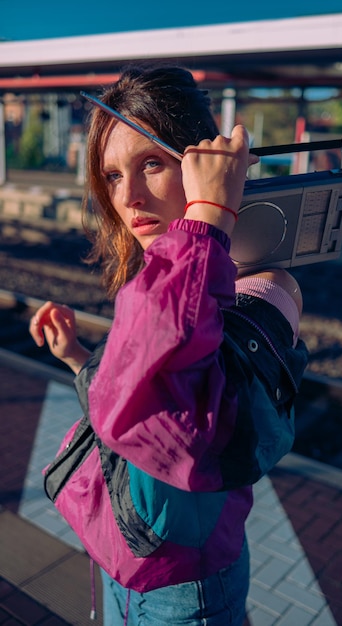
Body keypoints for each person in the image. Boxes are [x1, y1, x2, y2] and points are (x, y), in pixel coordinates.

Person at [29, 65, 308, 626]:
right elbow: (128, 404)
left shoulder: (268, 289)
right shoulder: (169, 275)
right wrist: (81, 359)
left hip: (185, 596)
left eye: (150, 163)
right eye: (110, 175)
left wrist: (208, 219)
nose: (127, 196)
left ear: (201, 164)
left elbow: (171, 425)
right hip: (122, 567)